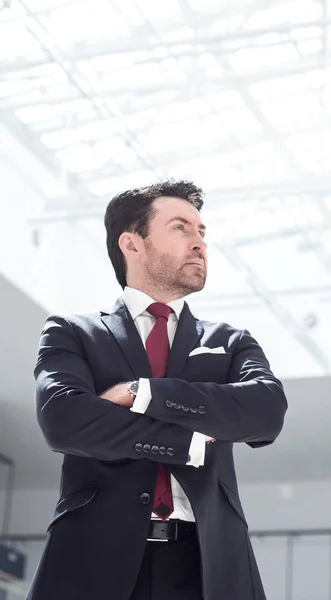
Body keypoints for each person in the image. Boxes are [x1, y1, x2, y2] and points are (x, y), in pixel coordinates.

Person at [27, 179, 287, 600]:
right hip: (90, 561)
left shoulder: (231, 341)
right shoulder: (72, 333)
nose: (199, 243)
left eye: (202, 232)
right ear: (132, 244)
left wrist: (145, 392)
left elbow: (266, 414)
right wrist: (187, 443)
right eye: (181, 228)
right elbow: (65, 422)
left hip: (209, 564)